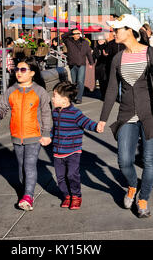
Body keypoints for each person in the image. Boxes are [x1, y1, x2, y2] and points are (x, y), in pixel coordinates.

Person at [97, 14, 153, 219]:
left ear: (129, 31)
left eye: (117, 29)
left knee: (149, 160)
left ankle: (143, 199)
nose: (114, 32)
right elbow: (110, 91)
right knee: (124, 160)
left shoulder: (150, 54)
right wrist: (103, 118)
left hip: (150, 113)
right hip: (126, 114)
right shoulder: (117, 58)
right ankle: (132, 187)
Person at [0, 57, 52, 211]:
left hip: (34, 135)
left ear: (32, 73)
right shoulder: (11, 90)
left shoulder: (40, 91)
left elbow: (46, 113)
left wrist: (46, 133)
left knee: (30, 165)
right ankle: (26, 191)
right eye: (17, 69)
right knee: (21, 167)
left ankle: (28, 196)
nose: (18, 72)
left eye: (23, 69)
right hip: (17, 136)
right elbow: (2, 106)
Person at [51, 81, 102, 210]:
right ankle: (67, 195)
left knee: (72, 175)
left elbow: (86, 122)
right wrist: (47, 137)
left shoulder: (75, 113)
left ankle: (76, 196)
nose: (52, 98)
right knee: (60, 177)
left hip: (73, 151)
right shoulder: (55, 113)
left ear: (64, 100)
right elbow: (53, 129)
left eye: (54, 96)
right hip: (57, 151)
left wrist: (96, 127)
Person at [61, 29, 94, 104]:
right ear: (73, 35)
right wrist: (71, 31)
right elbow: (63, 36)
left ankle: (79, 98)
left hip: (81, 64)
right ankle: (74, 96)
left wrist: (91, 62)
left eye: (79, 33)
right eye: (76, 34)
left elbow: (88, 53)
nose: (78, 35)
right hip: (72, 64)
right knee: (74, 82)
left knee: (80, 81)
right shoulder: (69, 41)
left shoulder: (84, 42)